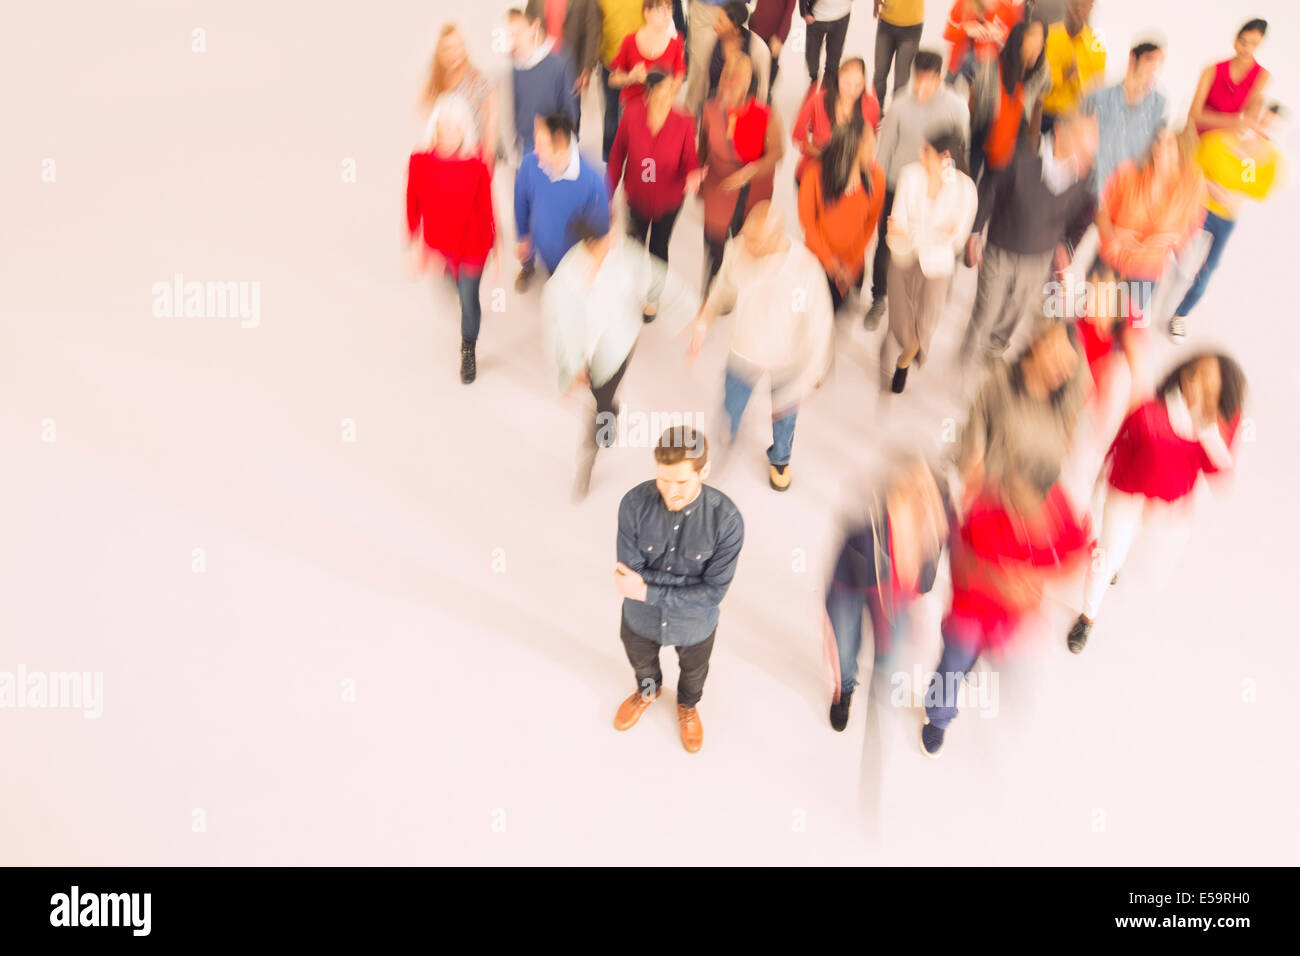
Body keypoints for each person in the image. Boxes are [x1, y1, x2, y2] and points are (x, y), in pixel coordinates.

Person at [923, 319, 1091, 756]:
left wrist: (1035, 573)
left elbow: (1075, 551)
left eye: (1067, 364)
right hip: (986, 516)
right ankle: (939, 715)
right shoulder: (999, 383)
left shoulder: (1063, 403)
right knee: (957, 651)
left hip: (1028, 527)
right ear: (1036, 344)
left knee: (993, 639)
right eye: (1055, 354)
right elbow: (972, 442)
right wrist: (977, 472)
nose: (1060, 368)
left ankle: (976, 653)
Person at [1066, 352, 1245, 653]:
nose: (1198, 383)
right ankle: (1088, 615)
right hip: (1125, 497)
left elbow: (1220, 474)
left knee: (1133, 553)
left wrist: (1207, 430)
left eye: (1211, 384)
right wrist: (1098, 494)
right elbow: (1118, 451)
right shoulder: (1149, 412)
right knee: (1106, 559)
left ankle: (1116, 565)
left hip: (1165, 511)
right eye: (1197, 373)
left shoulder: (1220, 427)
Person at [614, 427, 745, 754]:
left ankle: (687, 706)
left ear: (705, 471)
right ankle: (648, 691)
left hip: (694, 626)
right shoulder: (633, 504)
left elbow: (713, 593)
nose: (671, 491)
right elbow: (630, 572)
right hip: (640, 619)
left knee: (694, 673)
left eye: (682, 482)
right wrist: (686, 588)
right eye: (663, 479)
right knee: (641, 662)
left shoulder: (726, 521)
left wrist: (647, 590)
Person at [688, 203, 834, 492]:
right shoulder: (739, 249)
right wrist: (703, 323)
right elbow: (723, 289)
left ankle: (780, 459)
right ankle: (721, 448)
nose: (747, 247)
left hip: (788, 360)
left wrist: (813, 374)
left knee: (784, 416)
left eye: (755, 242)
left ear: (776, 238)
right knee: (730, 408)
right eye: (746, 238)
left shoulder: (804, 269)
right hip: (744, 351)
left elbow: (819, 325)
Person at [823, 456, 948, 731]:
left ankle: (880, 693)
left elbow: (926, 576)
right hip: (852, 584)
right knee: (844, 647)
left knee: (888, 663)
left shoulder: (934, 521)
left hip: (896, 599)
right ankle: (845, 689)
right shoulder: (865, 523)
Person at [962, 110, 1098, 359]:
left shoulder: (1082, 175)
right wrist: (975, 232)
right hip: (1001, 249)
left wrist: (1066, 246)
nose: (1087, 154)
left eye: (1090, 149)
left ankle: (995, 346)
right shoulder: (1021, 155)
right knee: (986, 309)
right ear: (1059, 130)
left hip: (1038, 260)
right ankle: (969, 353)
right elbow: (991, 189)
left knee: (1016, 309)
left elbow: (1084, 214)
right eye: (1082, 143)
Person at [541, 221, 647, 498]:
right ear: (592, 243)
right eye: (608, 236)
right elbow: (556, 327)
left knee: (600, 407)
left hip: (616, 351)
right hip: (585, 357)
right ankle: (609, 416)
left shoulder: (623, 262)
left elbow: (642, 289)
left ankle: (587, 462)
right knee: (602, 402)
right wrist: (571, 367)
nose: (615, 238)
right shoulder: (567, 278)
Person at [867, 50, 969, 327]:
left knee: (932, 240)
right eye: (917, 80)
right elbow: (885, 148)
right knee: (887, 244)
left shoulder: (957, 108)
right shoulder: (900, 103)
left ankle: (923, 299)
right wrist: (876, 187)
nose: (921, 88)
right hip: (896, 184)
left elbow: (960, 153)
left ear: (939, 79)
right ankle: (878, 297)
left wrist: (954, 193)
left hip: (935, 188)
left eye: (928, 81)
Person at [1169, 104, 1285, 338]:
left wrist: (1237, 191)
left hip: (1225, 221)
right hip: (1197, 209)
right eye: (1262, 122)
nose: (1264, 131)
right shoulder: (1217, 142)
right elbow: (1193, 172)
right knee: (1171, 255)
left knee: (1207, 271)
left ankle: (1180, 315)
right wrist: (1210, 187)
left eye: (1271, 128)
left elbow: (1250, 191)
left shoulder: (1269, 161)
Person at [407, 96, 499, 385]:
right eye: (444, 126)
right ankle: (451, 274)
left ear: (465, 130)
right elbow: (413, 202)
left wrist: (497, 248)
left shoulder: (476, 164)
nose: (449, 133)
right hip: (441, 243)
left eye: (456, 127)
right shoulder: (420, 162)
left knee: (468, 300)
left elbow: (487, 207)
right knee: (451, 283)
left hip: (473, 244)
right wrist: (414, 242)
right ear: (435, 127)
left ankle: (468, 348)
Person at [883, 126, 978, 393]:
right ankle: (907, 349)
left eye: (926, 151)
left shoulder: (965, 190)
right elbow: (896, 223)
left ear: (944, 157)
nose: (919, 155)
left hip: (938, 264)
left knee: (926, 321)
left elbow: (957, 239)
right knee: (900, 317)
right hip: (903, 254)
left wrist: (915, 231)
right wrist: (931, 232)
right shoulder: (910, 176)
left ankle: (907, 358)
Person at [607, 71, 704, 322]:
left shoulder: (684, 121)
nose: (667, 100)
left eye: (671, 94)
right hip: (636, 198)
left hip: (668, 202)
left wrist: (693, 175)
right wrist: (608, 194)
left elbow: (690, 160)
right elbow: (618, 154)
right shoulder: (631, 114)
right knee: (635, 246)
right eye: (661, 95)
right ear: (647, 95)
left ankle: (653, 296)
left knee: (658, 248)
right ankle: (631, 288)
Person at [1094, 126, 1205, 317]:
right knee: (1089, 323)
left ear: (1182, 149)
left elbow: (1190, 230)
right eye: (1158, 141)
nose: (1159, 146)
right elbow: (1100, 214)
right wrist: (1114, 233)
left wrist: (1176, 241)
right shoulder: (1130, 173)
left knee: (1127, 331)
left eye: (1168, 143)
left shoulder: (1192, 184)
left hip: (1146, 274)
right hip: (1108, 263)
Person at [698, 53, 786, 291]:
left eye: (736, 80)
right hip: (719, 188)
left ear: (747, 84)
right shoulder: (709, 110)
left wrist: (749, 172)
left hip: (751, 192)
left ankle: (738, 284)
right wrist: (699, 182)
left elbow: (778, 152)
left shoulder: (764, 114)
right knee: (714, 243)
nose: (729, 85)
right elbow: (703, 146)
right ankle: (715, 285)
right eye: (726, 78)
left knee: (744, 242)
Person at [514, 114, 611, 289]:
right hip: (541, 248)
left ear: (559, 144)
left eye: (541, 145)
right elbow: (521, 201)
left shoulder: (592, 181)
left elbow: (602, 232)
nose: (534, 150)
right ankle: (534, 270)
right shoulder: (530, 163)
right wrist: (523, 235)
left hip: (570, 262)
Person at [797, 124, 887, 313]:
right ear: (852, 149)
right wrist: (831, 263)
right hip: (817, 262)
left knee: (830, 312)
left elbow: (870, 226)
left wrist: (852, 267)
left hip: (849, 268)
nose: (874, 154)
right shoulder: (815, 173)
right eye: (870, 148)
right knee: (805, 310)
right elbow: (808, 224)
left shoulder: (876, 177)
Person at [969, 16, 1049, 182]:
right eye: (1033, 37)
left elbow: (1036, 110)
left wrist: (1031, 152)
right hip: (980, 143)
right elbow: (973, 105)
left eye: (1042, 41)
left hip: (1008, 157)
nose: (1038, 46)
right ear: (1019, 37)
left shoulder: (1035, 78)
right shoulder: (990, 69)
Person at [1083, 39, 1166, 193]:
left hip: (1124, 195)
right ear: (1133, 58)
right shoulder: (1099, 96)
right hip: (1088, 186)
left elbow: (1154, 154)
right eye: (1149, 60)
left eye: (1159, 63)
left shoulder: (1158, 107)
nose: (1154, 68)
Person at [502, 8, 578, 168]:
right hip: (526, 148)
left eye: (518, 33)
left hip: (552, 146)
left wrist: (563, 148)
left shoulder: (557, 64)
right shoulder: (516, 68)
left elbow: (569, 111)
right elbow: (517, 109)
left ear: (533, 28)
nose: (514, 40)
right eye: (510, 35)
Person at [791, 56, 881, 184]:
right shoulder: (818, 100)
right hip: (816, 175)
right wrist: (822, 155)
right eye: (847, 83)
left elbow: (870, 141)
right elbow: (798, 136)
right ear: (839, 78)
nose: (852, 90)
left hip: (851, 178)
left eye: (858, 85)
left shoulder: (871, 105)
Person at [420, 24, 498, 169]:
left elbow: (490, 123)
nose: (454, 53)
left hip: (470, 157)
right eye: (448, 49)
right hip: (440, 158)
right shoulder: (434, 79)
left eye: (458, 47)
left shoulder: (478, 80)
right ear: (440, 52)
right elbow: (427, 117)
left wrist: (488, 158)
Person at [524, 0, 605, 135]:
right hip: (542, 65)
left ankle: (570, 151)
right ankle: (545, 151)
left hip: (571, 66)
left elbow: (593, 29)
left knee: (570, 117)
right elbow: (528, 22)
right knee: (543, 116)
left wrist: (587, 66)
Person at [1188, 19, 1270, 137]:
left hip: (1225, 142)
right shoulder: (1211, 70)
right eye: (1243, 42)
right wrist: (1234, 122)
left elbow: (1249, 121)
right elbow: (1194, 115)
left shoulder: (1262, 76)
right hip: (1197, 137)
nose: (1247, 49)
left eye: (1254, 44)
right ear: (1235, 40)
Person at [1040, 0, 1104, 136]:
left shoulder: (1096, 46)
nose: (1080, 11)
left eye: (1086, 6)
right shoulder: (1050, 36)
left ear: (1091, 8)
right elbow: (1037, 78)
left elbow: (1096, 89)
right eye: (1077, 5)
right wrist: (1062, 75)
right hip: (1044, 113)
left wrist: (1077, 78)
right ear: (1069, 7)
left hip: (1073, 120)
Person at [609, 0, 685, 108]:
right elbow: (613, 79)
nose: (666, 14)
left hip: (660, 110)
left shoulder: (676, 42)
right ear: (646, 12)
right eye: (660, 9)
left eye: (669, 8)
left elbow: (679, 77)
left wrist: (666, 94)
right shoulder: (630, 41)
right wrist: (630, 78)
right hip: (632, 108)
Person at [598, 0, 646, 161]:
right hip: (622, 61)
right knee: (617, 110)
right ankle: (616, 157)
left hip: (635, 60)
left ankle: (612, 158)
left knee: (614, 110)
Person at [706, 2, 773, 104]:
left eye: (721, 22)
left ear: (735, 28)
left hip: (745, 108)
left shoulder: (757, 48)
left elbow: (762, 90)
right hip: (716, 105)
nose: (715, 25)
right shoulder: (713, 39)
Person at [942, 0, 1019, 87]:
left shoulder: (1007, 8)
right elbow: (947, 33)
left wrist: (1001, 35)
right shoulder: (963, 3)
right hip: (957, 62)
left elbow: (1016, 40)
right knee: (946, 91)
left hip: (987, 70)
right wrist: (965, 30)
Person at [872, 0, 926, 110]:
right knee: (879, 74)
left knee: (901, 81)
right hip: (886, 23)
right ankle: (875, 114)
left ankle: (896, 117)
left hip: (912, 28)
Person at [685, 0, 731, 114]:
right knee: (700, 75)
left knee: (730, 75)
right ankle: (689, 127)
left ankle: (715, 126)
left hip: (736, 10)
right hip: (706, 9)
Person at [750, 0, 800, 101]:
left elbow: (789, 11)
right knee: (752, 68)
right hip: (755, 29)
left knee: (767, 75)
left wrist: (780, 37)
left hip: (773, 37)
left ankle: (764, 101)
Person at [800, 0, 854, 87]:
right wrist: (804, 11)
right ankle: (814, 82)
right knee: (812, 59)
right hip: (816, 17)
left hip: (842, 15)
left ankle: (827, 92)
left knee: (833, 62)